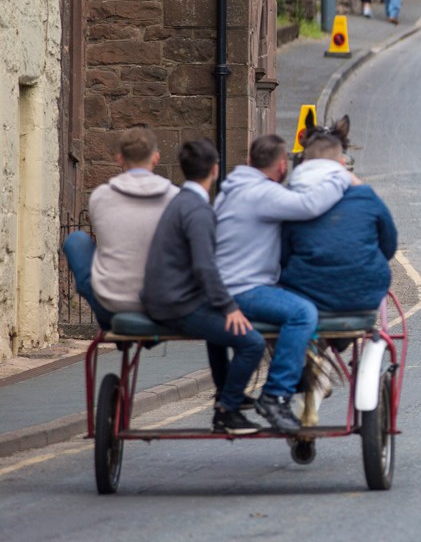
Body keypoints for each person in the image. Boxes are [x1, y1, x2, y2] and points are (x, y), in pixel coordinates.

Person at [214, 134, 354, 434]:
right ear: (281, 165)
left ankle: (279, 383)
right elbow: (309, 205)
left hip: (227, 285)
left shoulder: (233, 187)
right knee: (303, 313)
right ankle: (275, 395)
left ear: (250, 160)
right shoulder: (262, 193)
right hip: (244, 290)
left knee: (293, 305)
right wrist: (340, 176)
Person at [142, 139, 265, 436]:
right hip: (177, 306)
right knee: (253, 343)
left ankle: (226, 391)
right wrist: (229, 307)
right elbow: (205, 267)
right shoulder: (198, 211)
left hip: (162, 297)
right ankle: (227, 411)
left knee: (219, 335)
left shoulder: (179, 202)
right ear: (214, 169)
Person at [63, 127, 179, 330]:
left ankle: (106, 320)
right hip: (161, 303)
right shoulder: (176, 197)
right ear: (156, 158)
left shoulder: (100, 197)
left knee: (76, 240)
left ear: (119, 159)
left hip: (113, 304)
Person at [280, 134, 398, 312]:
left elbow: (281, 254)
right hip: (365, 294)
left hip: (306, 295)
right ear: (342, 165)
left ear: (304, 163)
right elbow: (388, 246)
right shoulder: (367, 196)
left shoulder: (292, 200)